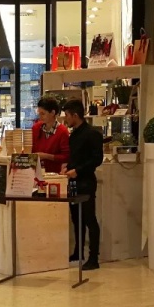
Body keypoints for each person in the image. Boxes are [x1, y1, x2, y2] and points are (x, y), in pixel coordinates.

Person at [64, 99, 103, 271]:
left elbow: (97, 159)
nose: (65, 119)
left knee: (89, 219)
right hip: (73, 182)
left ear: (75, 115)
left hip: (86, 182)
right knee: (76, 218)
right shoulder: (74, 134)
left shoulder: (92, 134)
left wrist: (77, 170)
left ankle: (93, 258)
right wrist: (68, 166)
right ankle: (78, 252)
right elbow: (76, 156)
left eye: (67, 115)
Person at [32, 95, 70, 173]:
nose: (40, 117)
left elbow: (66, 157)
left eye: (43, 114)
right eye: (39, 113)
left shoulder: (62, 131)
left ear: (52, 112)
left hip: (55, 175)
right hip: (37, 173)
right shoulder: (36, 128)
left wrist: (46, 156)